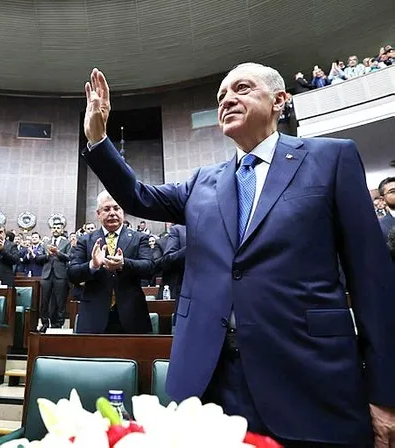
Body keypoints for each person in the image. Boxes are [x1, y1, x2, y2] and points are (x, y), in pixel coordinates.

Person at [82, 66, 395, 446]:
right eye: (220, 97)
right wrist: (98, 139)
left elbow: (373, 279)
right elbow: (136, 196)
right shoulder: (202, 182)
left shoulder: (331, 158)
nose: (227, 100)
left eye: (242, 88)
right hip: (210, 379)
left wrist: (386, 394)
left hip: (306, 375)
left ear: (279, 100)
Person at [67, 190, 153, 333]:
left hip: (132, 315)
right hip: (93, 316)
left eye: (116, 208)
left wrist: (124, 263)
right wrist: (93, 265)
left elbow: (149, 268)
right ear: (98, 213)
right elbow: (72, 274)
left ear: (123, 212)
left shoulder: (139, 238)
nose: (112, 213)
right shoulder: (85, 240)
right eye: (106, 209)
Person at [36, 222, 70, 330]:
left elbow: (69, 257)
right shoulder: (45, 243)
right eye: (54, 228)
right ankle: (45, 324)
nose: (55, 229)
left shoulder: (66, 242)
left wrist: (57, 252)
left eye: (58, 228)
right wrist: (47, 255)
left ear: (62, 230)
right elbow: (38, 259)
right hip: (46, 275)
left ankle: (58, 324)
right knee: (44, 301)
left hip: (60, 275)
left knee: (60, 301)